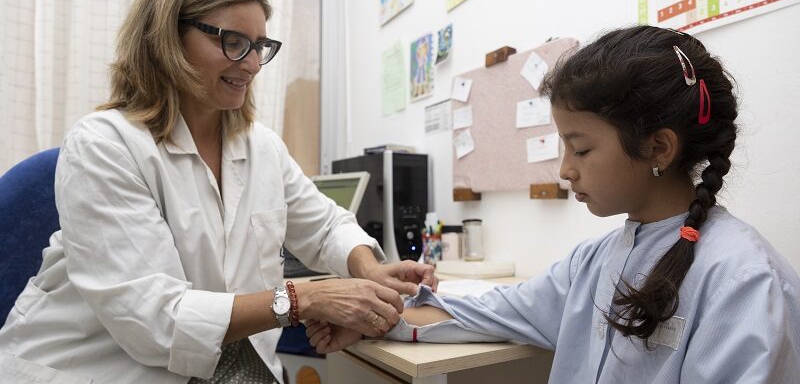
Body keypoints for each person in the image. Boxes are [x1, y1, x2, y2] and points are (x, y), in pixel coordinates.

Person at [0, 0, 437, 384]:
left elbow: (325, 227)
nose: (250, 63)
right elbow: (155, 318)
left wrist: (368, 269)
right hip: (93, 369)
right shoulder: (104, 145)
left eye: (260, 46)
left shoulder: (260, 147)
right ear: (168, 37)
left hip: (229, 370)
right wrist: (304, 298)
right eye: (232, 42)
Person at [306, 26, 800, 383]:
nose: (565, 170)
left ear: (658, 148)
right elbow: (494, 310)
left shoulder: (745, 284)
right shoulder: (593, 263)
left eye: (581, 149)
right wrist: (375, 317)